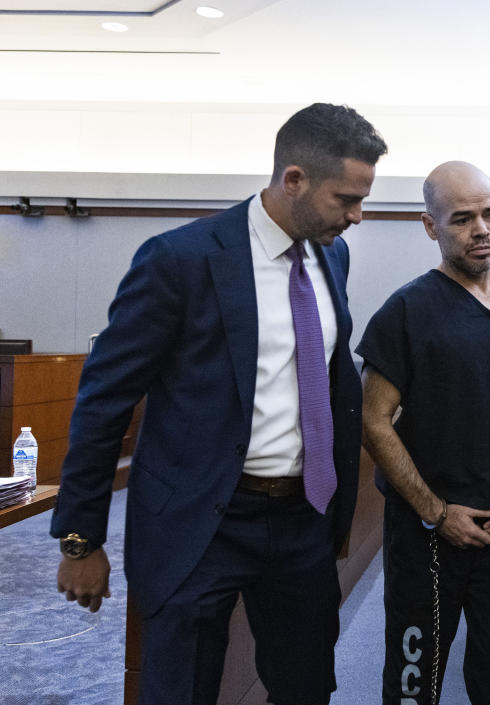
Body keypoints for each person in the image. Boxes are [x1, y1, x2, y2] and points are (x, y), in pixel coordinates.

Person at [50, 103, 387, 705]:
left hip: (299, 523)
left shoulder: (330, 255)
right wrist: (80, 539)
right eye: (346, 199)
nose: (358, 216)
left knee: (307, 687)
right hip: (199, 523)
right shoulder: (179, 260)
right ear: (293, 180)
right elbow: (104, 400)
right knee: (182, 690)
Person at [358, 161, 490, 705]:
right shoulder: (405, 312)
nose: (482, 229)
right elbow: (373, 421)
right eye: (462, 219)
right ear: (430, 227)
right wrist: (435, 510)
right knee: (415, 679)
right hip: (428, 535)